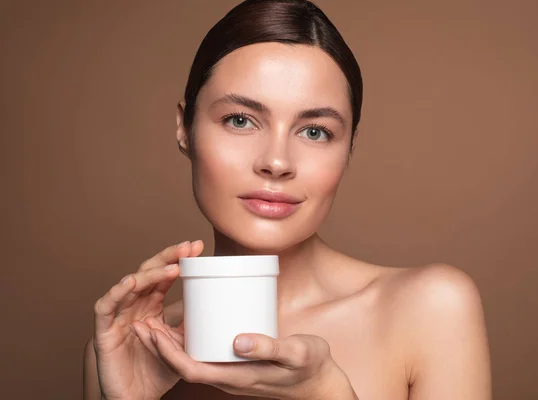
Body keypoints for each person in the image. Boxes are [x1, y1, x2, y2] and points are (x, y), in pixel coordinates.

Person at [83, 0, 492, 399]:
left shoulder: (431, 308)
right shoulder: (132, 346)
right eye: (240, 120)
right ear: (185, 128)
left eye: (315, 131)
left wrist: (329, 394)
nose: (277, 162)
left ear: (348, 147)